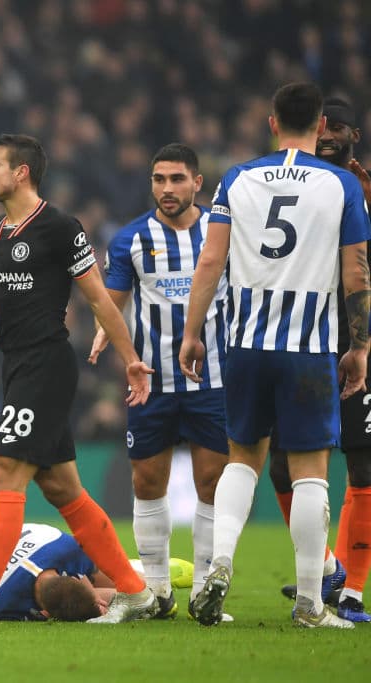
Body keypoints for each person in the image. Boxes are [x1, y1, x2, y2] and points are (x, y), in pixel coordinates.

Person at [0, 133, 158, 624]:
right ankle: (135, 591)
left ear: (20, 172)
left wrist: (129, 357)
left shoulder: (58, 227)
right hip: (17, 366)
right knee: (63, 488)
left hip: (46, 366)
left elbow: (96, 298)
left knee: (4, 471)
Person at [180, 83, 371, 629]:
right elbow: (356, 272)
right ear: (319, 126)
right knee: (312, 472)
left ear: (270, 123)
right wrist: (360, 345)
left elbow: (210, 262)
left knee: (243, 458)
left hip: (244, 343)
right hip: (308, 347)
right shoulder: (340, 185)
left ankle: (218, 566)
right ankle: (311, 602)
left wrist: (193, 334)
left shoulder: (237, 178)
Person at [89, 143, 229, 621]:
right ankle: (157, 592)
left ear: (197, 183)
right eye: (158, 180)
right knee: (148, 482)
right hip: (151, 380)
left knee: (212, 483)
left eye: (176, 179)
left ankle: (205, 595)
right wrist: (104, 333)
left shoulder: (222, 231)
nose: (166, 189)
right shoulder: (130, 239)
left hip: (212, 381)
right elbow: (111, 300)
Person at [271, 96, 371, 623]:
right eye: (322, 126)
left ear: (355, 134)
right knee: (281, 464)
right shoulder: (285, 185)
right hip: (298, 335)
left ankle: (352, 592)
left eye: (339, 127)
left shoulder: (361, 189)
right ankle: (328, 566)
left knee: (362, 460)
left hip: (357, 339)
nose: (329, 134)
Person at [0, 523, 196, 622]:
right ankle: (151, 597)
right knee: (85, 594)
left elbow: (88, 578)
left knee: (110, 576)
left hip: (33, 541)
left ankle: (148, 582)